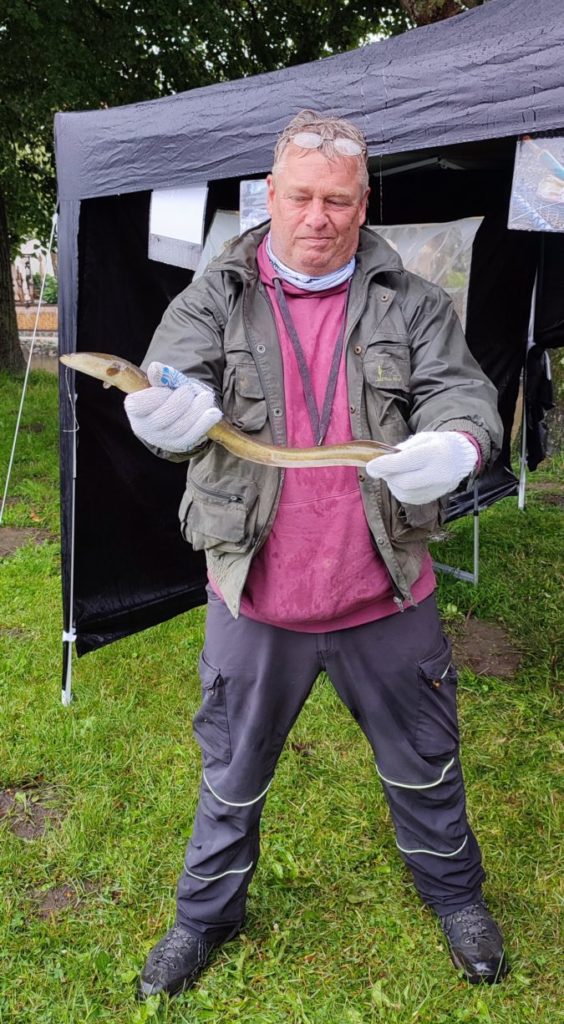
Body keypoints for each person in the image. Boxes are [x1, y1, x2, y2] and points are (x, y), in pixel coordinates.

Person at [125, 110, 508, 1000]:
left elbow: (464, 394)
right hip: (255, 593)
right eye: (300, 195)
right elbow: (172, 374)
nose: (319, 216)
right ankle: (202, 917)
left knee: (428, 763)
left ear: (364, 201)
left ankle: (455, 898)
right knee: (231, 775)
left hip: (387, 590)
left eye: (339, 199)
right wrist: (161, 413)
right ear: (271, 192)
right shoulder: (214, 293)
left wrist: (458, 444)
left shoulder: (410, 298)